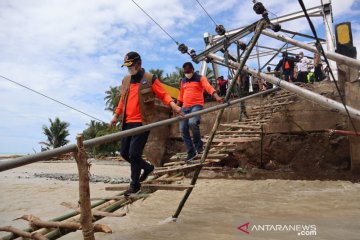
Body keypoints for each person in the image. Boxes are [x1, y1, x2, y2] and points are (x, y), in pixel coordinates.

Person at [110, 51, 183, 196]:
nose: (129, 69)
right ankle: (148, 168)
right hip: (127, 123)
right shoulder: (125, 80)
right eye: (126, 66)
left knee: (134, 154)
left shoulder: (150, 79)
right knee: (124, 153)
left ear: (139, 64)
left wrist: (174, 106)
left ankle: (134, 185)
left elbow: (163, 94)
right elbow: (122, 100)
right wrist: (116, 116)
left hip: (143, 123)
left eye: (131, 65)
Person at [177, 62, 223, 161]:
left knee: (192, 122)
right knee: (183, 129)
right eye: (185, 72)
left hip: (196, 106)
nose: (187, 73)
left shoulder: (200, 78)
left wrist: (217, 97)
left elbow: (208, 87)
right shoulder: (183, 81)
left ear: (193, 70)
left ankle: (199, 147)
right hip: (185, 107)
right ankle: (191, 152)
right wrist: (177, 107)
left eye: (188, 72)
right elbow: (181, 95)